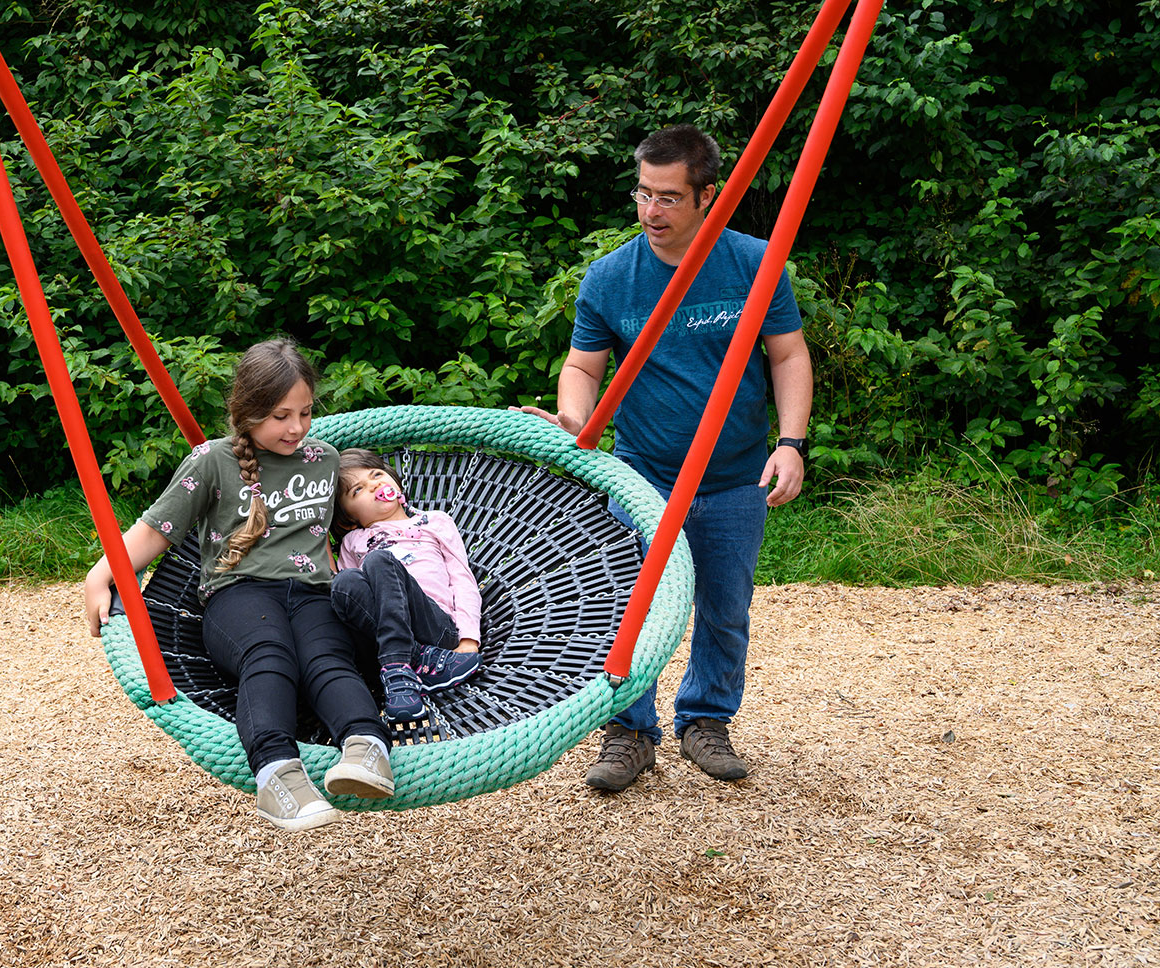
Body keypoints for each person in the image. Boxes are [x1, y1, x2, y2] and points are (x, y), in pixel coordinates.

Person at [515, 124, 812, 792]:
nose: (652, 211)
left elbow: (788, 355)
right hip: (643, 475)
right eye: (643, 194)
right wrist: (572, 420)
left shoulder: (753, 265)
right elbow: (582, 367)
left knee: (724, 607)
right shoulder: (612, 277)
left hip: (734, 475)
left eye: (669, 197)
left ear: (707, 195)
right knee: (629, 606)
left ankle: (705, 720)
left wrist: (790, 444)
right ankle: (627, 732)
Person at [83, 339, 393, 832]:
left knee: (327, 658)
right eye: (279, 416)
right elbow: (154, 530)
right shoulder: (212, 461)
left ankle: (366, 748)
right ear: (246, 412)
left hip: (313, 592)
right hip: (238, 597)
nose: (295, 428)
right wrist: (100, 573)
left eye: (306, 412)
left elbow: (355, 521)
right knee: (270, 654)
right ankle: (277, 775)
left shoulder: (324, 458)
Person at [329, 448, 483, 721]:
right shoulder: (352, 542)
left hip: (435, 627)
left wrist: (469, 639)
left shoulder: (434, 522)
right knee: (344, 582)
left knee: (380, 561)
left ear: (394, 481)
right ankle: (409, 663)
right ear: (347, 519)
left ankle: (399, 665)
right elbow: (351, 601)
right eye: (358, 490)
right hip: (379, 639)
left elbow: (462, 578)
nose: (375, 484)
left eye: (377, 474)